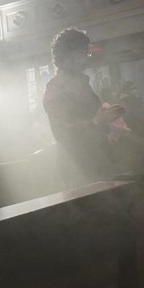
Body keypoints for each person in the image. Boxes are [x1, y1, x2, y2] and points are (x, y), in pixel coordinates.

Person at [42, 28, 125, 186]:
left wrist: (110, 118)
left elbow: (96, 115)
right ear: (67, 56)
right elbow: (63, 132)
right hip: (77, 168)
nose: (86, 58)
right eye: (82, 53)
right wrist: (96, 122)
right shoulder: (55, 89)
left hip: (100, 160)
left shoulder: (82, 82)